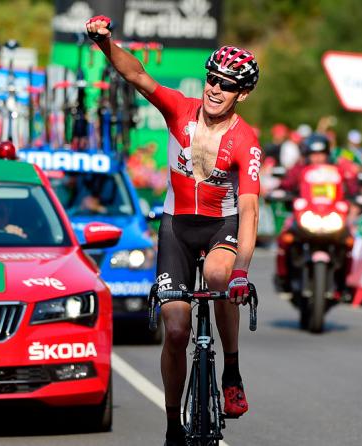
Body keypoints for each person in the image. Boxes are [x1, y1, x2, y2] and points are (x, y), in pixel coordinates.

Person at [86, 16, 261, 446]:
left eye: (227, 84)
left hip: (222, 225)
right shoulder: (180, 111)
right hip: (177, 226)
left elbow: (251, 208)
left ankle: (232, 371)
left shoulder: (246, 141)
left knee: (221, 278)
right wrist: (106, 44)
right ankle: (171, 425)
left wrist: (242, 269)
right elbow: (137, 75)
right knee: (177, 329)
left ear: (243, 93)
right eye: (212, 79)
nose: (215, 89)